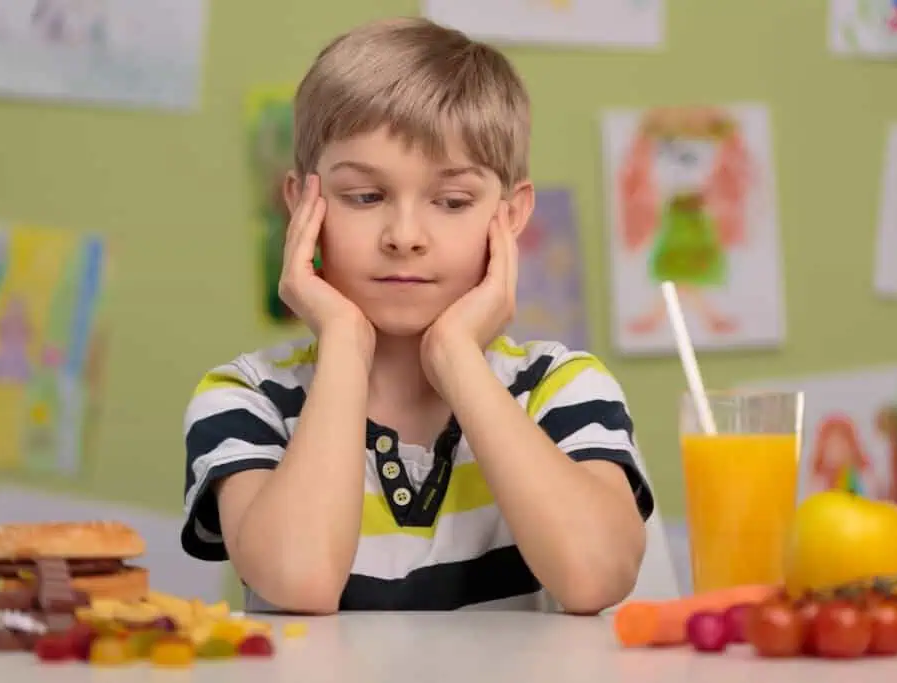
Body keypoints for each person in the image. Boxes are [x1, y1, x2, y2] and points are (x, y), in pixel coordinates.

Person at [180, 17, 654, 614]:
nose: (405, 236)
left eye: (452, 202)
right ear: (304, 205)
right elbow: (299, 581)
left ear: (508, 217)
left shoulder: (560, 389)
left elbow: (595, 577)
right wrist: (344, 344)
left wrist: (457, 355)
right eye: (365, 197)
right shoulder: (247, 399)